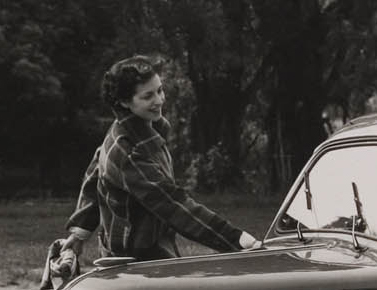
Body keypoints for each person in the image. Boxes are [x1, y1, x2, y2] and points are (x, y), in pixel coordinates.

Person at [59, 55, 258, 263]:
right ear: (124, 102)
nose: (159, 100)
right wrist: (235, 239)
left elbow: (96, 174)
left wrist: (80, 230)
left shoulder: (142, 126)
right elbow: (172, 204)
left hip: (155, 243)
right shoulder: (129, 150)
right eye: (148, 96)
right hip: (134, 259)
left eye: (160, 90)